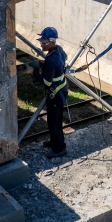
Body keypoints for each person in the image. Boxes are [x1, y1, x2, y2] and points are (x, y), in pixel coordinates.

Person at [27, 27, 69, 158]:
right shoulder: (58, 49)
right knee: (52, 120)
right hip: (61, 89)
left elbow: (47, 82)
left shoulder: (51, 61)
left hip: (56, 94)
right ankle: (53, 141)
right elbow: (65, 57)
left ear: (51, 42)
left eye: (44, 42)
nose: (41, 44)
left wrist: (34, 73)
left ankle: (60, 148)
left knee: (55, 121)